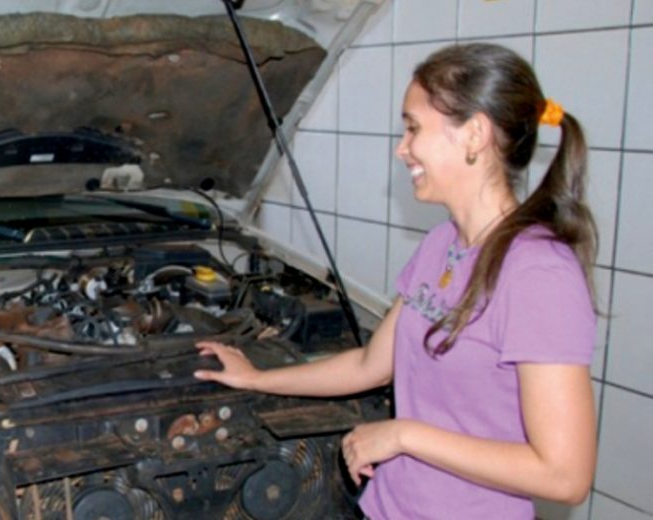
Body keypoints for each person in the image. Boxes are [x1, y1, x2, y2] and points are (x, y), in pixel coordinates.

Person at [195, 43, 597, 519]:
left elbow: (565, 476)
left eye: (414, 128)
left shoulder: (539, 273)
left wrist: (405, 435)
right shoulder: (442, 244)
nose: (402, 148)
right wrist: (257, 378)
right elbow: (371, 364)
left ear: (475, 134)